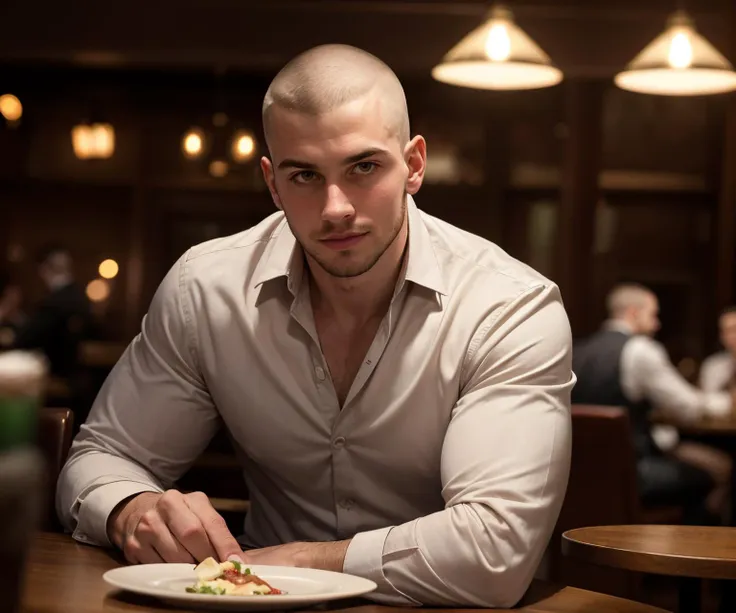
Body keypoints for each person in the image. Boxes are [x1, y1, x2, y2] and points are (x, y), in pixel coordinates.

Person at [57, 45, 574, 607]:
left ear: (415, 165)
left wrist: (303, 559)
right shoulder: (206, 290)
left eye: (364, 167)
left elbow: (492, 553)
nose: (335, 208)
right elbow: (97, 459)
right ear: (272, 183)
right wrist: (132, 511)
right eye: (304, 175)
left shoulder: (507, 306)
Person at [572, 283, 732, 522]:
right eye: (653, 315)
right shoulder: (641, 350)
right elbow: (688, 408)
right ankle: (694, 549)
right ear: (634, 313)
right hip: (634, 473)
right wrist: (727, 402)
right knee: (720, 470)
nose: (657, 324)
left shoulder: (579, 350)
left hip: (582, 474)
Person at [12, 245, 92, 378]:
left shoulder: (55, 302)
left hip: (57, 375)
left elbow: (25, 340)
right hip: (76, 374)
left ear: (43, 269)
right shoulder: (80, 296)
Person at [700, 306, 736, 393]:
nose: (731, 336)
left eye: (734, 329)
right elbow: (706, 401)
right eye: (726, 331)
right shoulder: (712, 366)